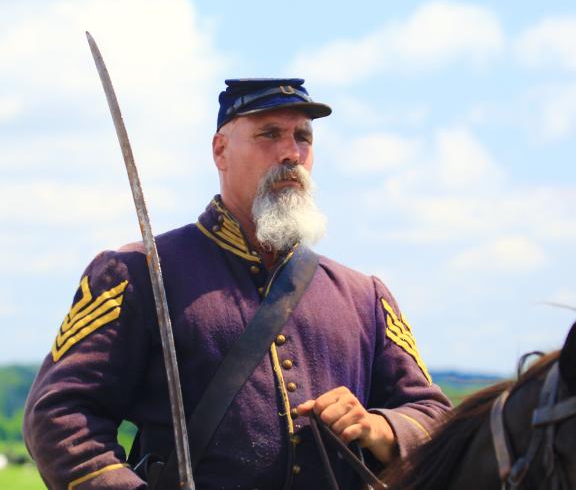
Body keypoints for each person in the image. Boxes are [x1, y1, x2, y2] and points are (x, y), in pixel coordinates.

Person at [23, 78, 452, 489]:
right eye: (269, 134)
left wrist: (379, 427)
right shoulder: (138, 273)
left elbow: (436, 417)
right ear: (220, 150)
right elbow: (58, 416)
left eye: (303, 137)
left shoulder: (364, 297)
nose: (291, 153)